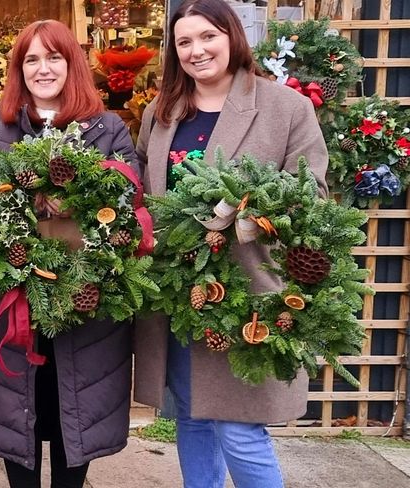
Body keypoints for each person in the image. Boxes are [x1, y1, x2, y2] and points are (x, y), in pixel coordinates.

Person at [133, 1, 328, 487]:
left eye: (207, 37)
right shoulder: (162, 115)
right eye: (184, 42)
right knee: (193, 417)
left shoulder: (284, 107)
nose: (196, 50)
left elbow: (313, 196)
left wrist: (242, 216)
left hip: (247, 293)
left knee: (239, 429)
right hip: (176, 293)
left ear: (232, 37)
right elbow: (140, 189)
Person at [0, 20, 138, 488]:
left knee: (74, 421)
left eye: (53, 57)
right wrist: (28, 199)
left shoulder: (108, 128)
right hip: (9, 304)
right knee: (19, 425)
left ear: (71, 63)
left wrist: (74, 200)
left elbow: (127, 203)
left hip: (85, 309)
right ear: (19, 70)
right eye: (31, 59)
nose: (43, 68)